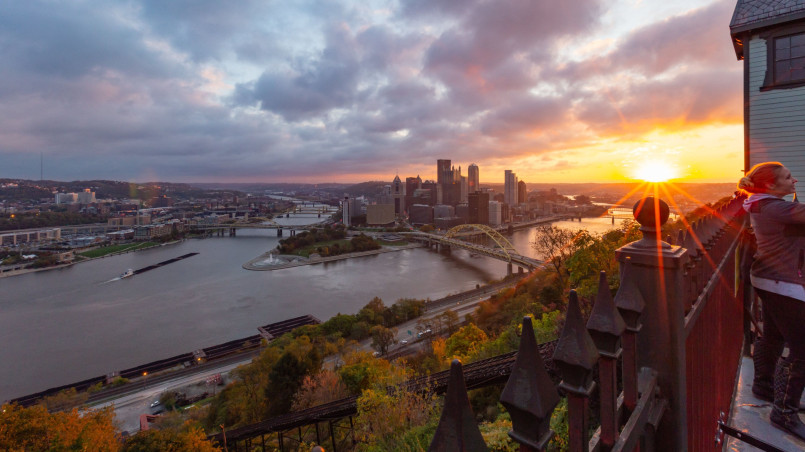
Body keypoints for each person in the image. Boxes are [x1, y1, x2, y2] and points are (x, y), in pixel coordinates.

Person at [740, 161, 805, 439]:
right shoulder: (775, 208)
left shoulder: (762, 204)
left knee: (773, 335)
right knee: (801, 349)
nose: (794, 181)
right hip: (782, 283)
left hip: (767, 278)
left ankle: (764, 386)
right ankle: (784, 411)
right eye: (788, 177)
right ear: (770, 185)